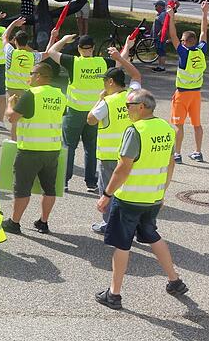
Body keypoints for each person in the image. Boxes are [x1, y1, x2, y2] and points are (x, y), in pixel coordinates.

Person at [95, 89, 188, 310]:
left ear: (142, 107)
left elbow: (123, 168)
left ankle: (114, 294)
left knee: (122, 245)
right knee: (151, 235)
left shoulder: (135, 130)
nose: (126, 109)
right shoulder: (166, 128)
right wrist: (162, 193)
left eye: (129, 105)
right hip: (152, 198)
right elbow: (170, 163)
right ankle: (175, 280)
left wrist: (106, 195)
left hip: (129, 198)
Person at [2, 62, 66, 235]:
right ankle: (43, 222)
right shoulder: (60, 95)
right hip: (52, 149)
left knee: (22, 188)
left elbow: (12, 118)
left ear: (38, 76)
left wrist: (10, 104)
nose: (28, 77)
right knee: (49, 188)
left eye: (31, 73)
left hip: (30, 150)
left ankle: (14, 223)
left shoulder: (31, 95)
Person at [48, 33, 117, 193]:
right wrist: (127, 45)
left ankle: (64, 180)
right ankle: (91, 182)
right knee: (91, 148)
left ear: (78, 49)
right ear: (93, 48)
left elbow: (51, 52)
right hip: (94, 112)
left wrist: (64, 40)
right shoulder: (103, 62)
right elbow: (121, 61)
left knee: (68, 146)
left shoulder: (73, 62)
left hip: (74, 111)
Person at [87, 44, 142, 234]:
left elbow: (91, 120)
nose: (103, 85)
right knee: (127, 190)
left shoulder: (107, 102)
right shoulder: (132, 95)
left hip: (109, 154)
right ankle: (130, 224)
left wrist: (99, 99)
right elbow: (136, 76)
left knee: (108, 189)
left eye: (104, 81)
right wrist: (120, 59)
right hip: (131, 154)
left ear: (110, 82)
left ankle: (108, 223)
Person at [167, 1, 208, 163]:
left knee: (179, 124)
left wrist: (171, 18)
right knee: (197, 124)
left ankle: (177, 153)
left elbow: (173, 36)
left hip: (182, 93)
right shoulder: (201, 51)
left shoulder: (184, 54)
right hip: (196, 93)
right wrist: (204, 13)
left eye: (182, 41)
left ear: (185, 42)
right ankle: (198, 152)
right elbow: (204, 31)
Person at [2, 17, 55, 139]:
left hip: (11, 90)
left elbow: (4, 37)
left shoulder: (10, 53)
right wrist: (52, 37)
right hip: (27, 91)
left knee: (14, 119)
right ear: (27, 43)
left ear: (15, 41)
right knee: (25, 118)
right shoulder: (32, 57)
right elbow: (47, 53)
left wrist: (14, 24)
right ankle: (25, 138)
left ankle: (15, 141)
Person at [151, 0, 168, 73]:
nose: (155, 7)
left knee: (161, 51)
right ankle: (159, 66)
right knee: (159, 51)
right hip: (157, 36)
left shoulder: (162, 15)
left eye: (156, 5)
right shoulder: (160, 14)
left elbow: (164, 25)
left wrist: (160, 32)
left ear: (161, 6)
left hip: (160, 37)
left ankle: (162, 67)